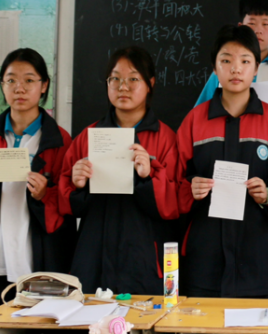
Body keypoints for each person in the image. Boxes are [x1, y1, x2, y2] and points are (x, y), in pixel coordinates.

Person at [176, 25, 268, 297]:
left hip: (258, 258)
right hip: (204, 259)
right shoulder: (194, 121)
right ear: (215, 68)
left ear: (256, 68)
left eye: (245, 61)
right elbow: (173, 184)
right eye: (226, 60)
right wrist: (191, 188)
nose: (236, 69)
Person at [59, 46, 180, 294]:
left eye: (133, 79)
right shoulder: (88, 137)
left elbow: (173, 204)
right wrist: (77, 185)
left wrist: (148, 177)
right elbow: (64, 202)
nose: (123, 87)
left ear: (150, 84)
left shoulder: (166, 138)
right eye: (115, 79)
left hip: (144, 259)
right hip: (94, 256)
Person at [0, 49, 75, 317]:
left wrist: (45, 194)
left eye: (29, 80)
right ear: (2, 85)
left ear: (44, 85)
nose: (19, 88)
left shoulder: (60, 140)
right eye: (11, 80)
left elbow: (69, 204)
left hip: (37, 261)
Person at [196, 0, 268, 128]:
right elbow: (199, 118)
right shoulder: (222, 73)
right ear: (241, 27)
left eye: (265, 24)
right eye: (252, 23)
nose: (258, 30)